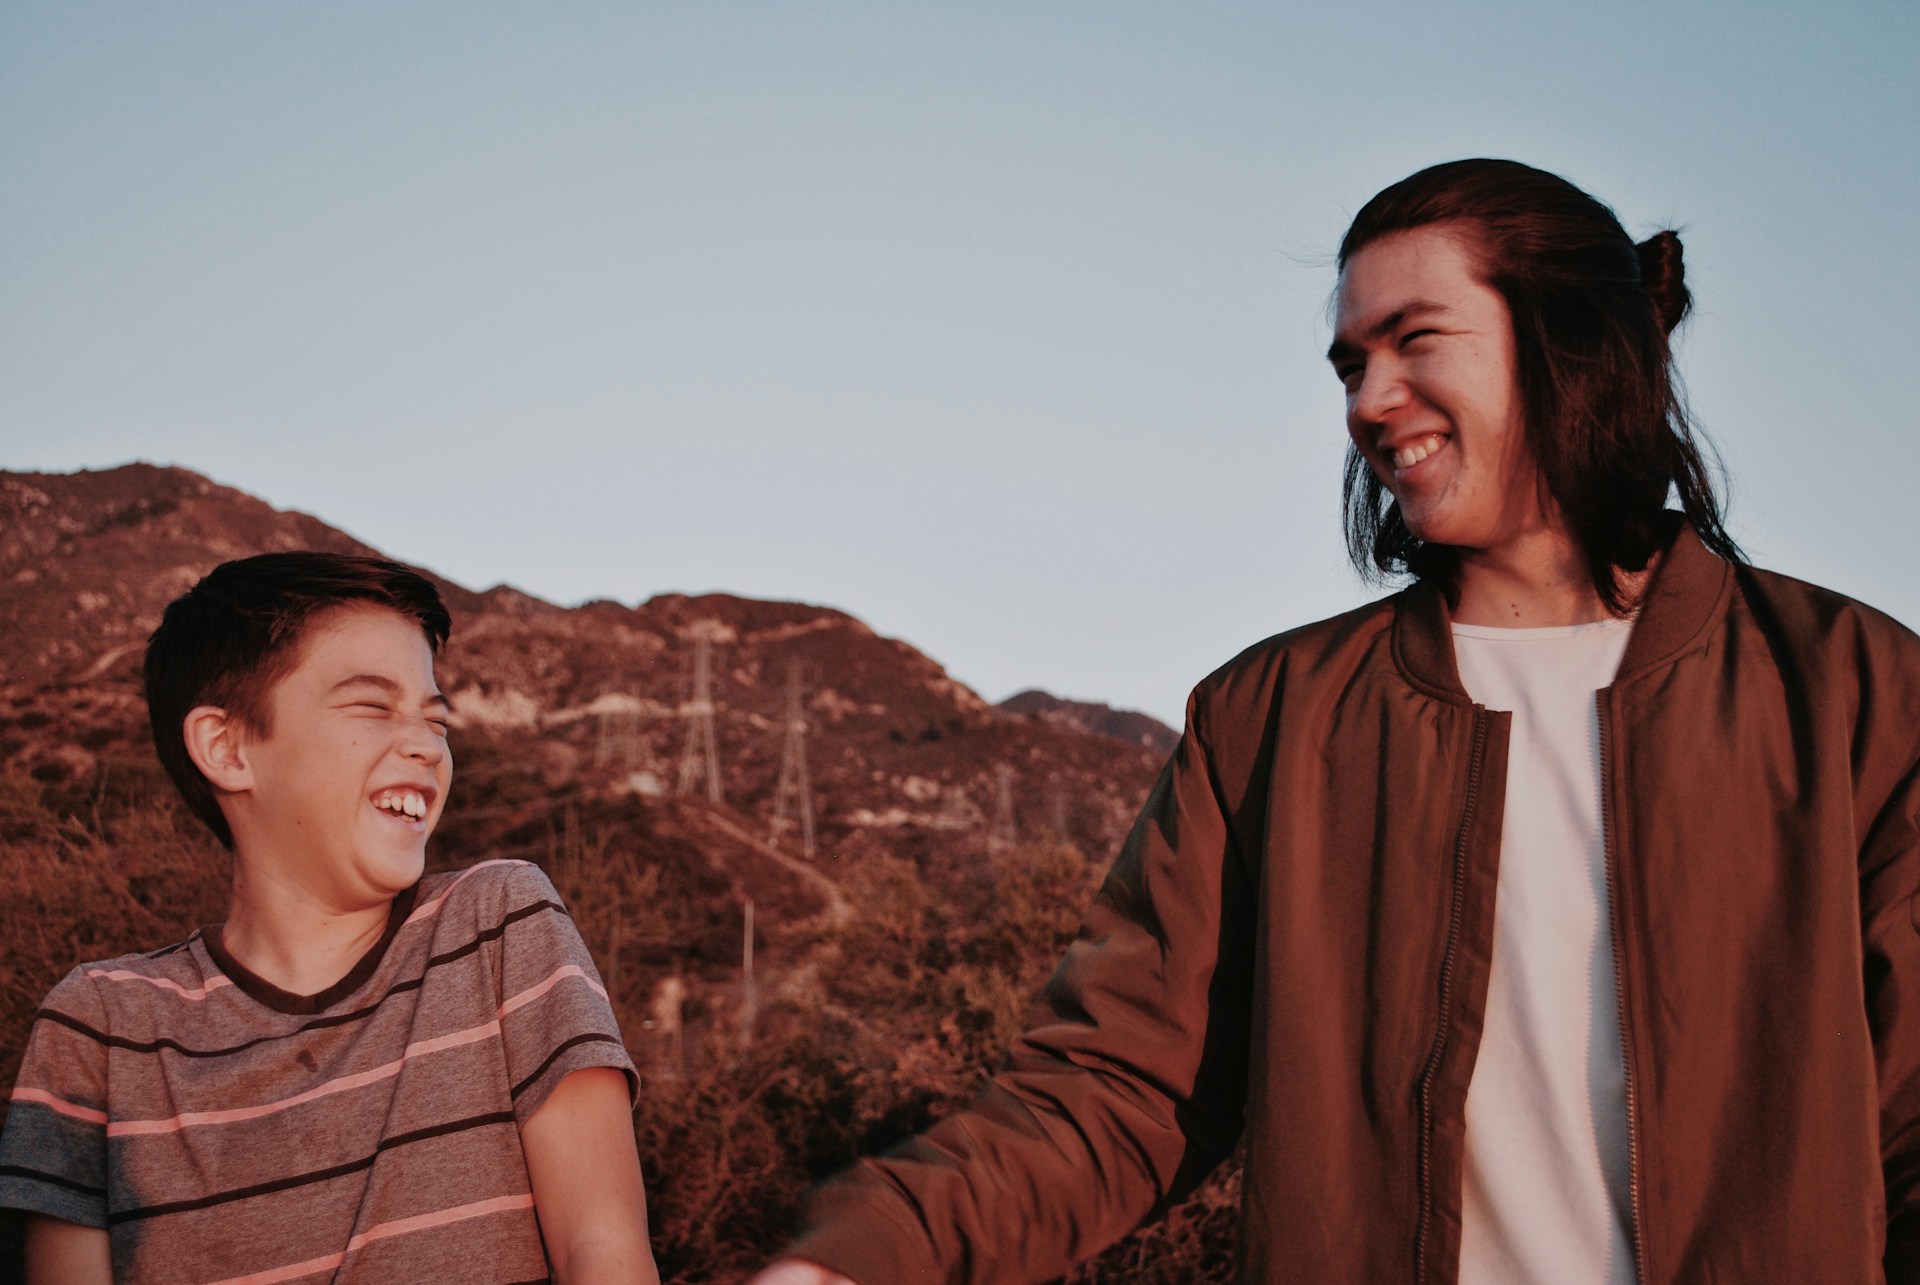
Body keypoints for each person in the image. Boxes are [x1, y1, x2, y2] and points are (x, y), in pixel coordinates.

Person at [750, 159, 1920, 1283]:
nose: (1369, 401)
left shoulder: (1851, 690)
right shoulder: (1272, 719)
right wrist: (862, 1254)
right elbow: (1123, 1091)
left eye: (1416, 340)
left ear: (1568, 340)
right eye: (1350, 364)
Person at [0, 552, 661, 1283]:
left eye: (435, 719)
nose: (426, 744)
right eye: (372, 706)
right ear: (226, 747)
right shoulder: (98, 1027)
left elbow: (603, 1251)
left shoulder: (500, 925)